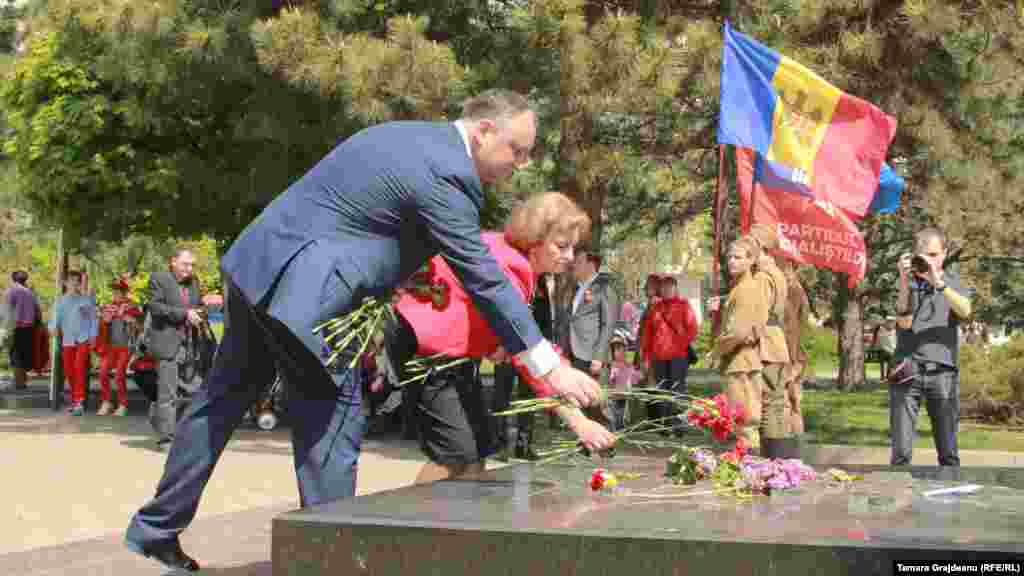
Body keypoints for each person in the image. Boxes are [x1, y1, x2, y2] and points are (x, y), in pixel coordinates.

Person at [125, 90, 606, 573]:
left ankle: (156, 528)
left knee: (221, 400)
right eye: (516, 150)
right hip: (307, 295)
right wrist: (551, 365)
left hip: (259, 266)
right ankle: (327, 562)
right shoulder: (450, 176)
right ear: (483, 131)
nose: (520, 164)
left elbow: (356, 215)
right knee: (335, 420)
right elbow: (483, 277)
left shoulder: (404, 135)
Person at [391, 192, 615, 484]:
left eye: (573, 248)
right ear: (535, 240)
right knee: (456, 459)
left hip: (454, 359)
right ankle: (411, 526)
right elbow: (528, 357)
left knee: (478, 450)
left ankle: (456, 525)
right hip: (428, 354)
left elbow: (520, 345)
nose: (570, 256)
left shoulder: (507, 257)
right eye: (561, 246)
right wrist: (578, 421)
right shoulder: (510, 269)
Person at [890, 228, 971, 467]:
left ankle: (951, 500)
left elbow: (965, 311)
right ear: (914, 256)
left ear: (945, 254)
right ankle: (898, 497)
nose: (929, 260)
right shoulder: (908, 283)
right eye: (924, 255)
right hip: (907, 368)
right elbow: (903, 323)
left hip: (942, 371)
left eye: (934, 255)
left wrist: (939, 283)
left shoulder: (953, 281)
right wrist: (905, 281)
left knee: (948, 452)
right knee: (901, 452)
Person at [710, 237, 769, 449]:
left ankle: (748, 465)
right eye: (730, 258)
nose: (732, 262)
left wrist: (716, 351)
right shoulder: (742, 287)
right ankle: (747, 462)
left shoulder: (746, 289)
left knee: (743, 417)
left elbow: (737, 331)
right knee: (744, 418)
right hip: (743, 358)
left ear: (751, 260)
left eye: (738, 257)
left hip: (739, 359)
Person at [144, 249, 204, 450]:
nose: (189, 268)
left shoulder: (194, 282)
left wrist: (200, 313)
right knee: (167, 394)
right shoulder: (159, 279)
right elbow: (156, 308)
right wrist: (185, 314)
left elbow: (198, 305)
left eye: (192, 265)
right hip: (167, 343)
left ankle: (165, 423)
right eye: (185, 264)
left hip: (189, 345)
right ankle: (166, 440)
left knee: (194, 390)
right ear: (173, 262)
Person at [747, 224, 793, 459]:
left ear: (760, 247)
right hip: (775, 344)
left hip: (766, 344)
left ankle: (772, 461)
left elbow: (757, 315)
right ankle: (777, 461)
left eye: (750, 243)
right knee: (774, 404)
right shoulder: (775, 272)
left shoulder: (764, 277)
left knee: (768, 406)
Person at [638, 275, 698, 436]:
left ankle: (678, 425)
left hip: (678, 356)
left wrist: (680, 344)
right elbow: (648, 335)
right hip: (659, 356)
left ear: (675, 288)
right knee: (662, 391)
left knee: (677, 390)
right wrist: (645, 356)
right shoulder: (656, 308)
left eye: (670, 287)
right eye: (663, 287)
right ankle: (664, 426)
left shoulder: (684, 305)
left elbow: (692, 330)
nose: (666, 290)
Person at [563, 247, 619, 380]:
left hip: (592, 357)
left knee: (594, 399)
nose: (574, 265)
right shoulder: (578, 288)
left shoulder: (604, 287)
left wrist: (599, 357)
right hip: (574, 353)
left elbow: (608, 324)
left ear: (591, 264)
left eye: (578, 262)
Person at [49, 271, 97, 416]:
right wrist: (53, 328)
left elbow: (93, 320)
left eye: (77, 281)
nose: (74, 284)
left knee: (79, 367)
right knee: (69, 370)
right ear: (65, 283)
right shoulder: (60, 301)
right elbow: (54, 320)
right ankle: (76, 399)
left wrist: (93, 336)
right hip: (67, 340)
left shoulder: (86, 300)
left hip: (83, 339)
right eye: (71, 281)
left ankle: (79, 401)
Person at [96, 277, 144, 416]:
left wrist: (131, 320)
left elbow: (141, 328)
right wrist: (104, 321)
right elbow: (100, 328)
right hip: (110, 347)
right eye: (114, 291)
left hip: (126, 346)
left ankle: (123, 404)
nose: (116, 293)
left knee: (119, 375)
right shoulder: (108, 307)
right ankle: (107, 402)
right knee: (103, 373)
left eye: (119, 291)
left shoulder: (133, 307)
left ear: (125, 292)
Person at [777, 257, 810, 439]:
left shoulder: (793, 291)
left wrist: (798, 361)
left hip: (791, 355)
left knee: (790, 402)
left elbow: (797, 328)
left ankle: (791, 446)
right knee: (791, 402)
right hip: (791, 354)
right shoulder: (796, 291)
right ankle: (793, 443)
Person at [5, 270, 40, 390]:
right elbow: (37, 311)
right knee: (24, 354)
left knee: (15, 355)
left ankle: (18, 383)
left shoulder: (12, 291)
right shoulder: (30, 292)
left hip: (16, 327)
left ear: (13, 279)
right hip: (29, 328)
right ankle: (22, 381)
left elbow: (7, 310)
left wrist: (6, 328)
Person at [607, 336, 641, 432]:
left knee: (620, 412)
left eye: (622, 350)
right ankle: (613, 428)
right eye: (616, 350)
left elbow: (635, 378)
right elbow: (610, 379)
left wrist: (638, 374)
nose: (620, 353)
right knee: (614, 412)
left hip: (624, 394)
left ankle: (619, 427)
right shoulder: (614, 365)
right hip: (614, 394)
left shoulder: (629, 365)